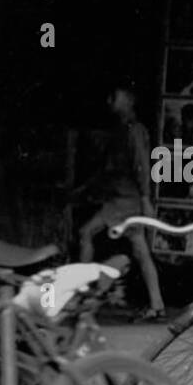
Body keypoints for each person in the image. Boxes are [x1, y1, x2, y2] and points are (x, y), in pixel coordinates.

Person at [78, 82, 166, 319]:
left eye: (114, 96)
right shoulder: (121, 130)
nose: (109, 102)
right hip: (119, 200)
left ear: (128, 100)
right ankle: (156, 304)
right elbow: (109, 170)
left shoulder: (133, 130)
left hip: (127, 202)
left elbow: (141, 167)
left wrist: (146, 200)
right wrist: (85, 188)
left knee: (88, 233)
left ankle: (83, 292)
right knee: (139, 250)